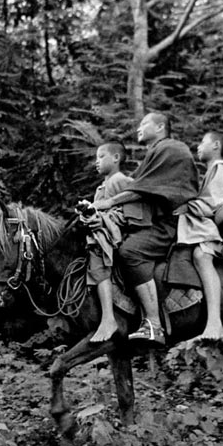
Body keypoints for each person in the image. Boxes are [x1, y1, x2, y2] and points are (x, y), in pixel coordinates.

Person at [90, 113, 198, 345]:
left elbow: (146, 190)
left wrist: (109, 203)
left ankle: (153, 324)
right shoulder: (156, 153)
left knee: (130, 251)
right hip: (151, 222)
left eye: (143, 124)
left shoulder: (172, 149)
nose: (138, 128)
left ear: (160, 127)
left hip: (166, 225)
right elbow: (143, 188)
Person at [177, 131, 223, 341]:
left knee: (201, 256)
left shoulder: (220, 168)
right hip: (204, 224)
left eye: (203, 142)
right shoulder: (212, 170)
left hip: (214, 228)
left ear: (217, 145)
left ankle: (214, 322)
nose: (198, 147)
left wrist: (188, 204)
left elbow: (218, 203)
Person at [77, 143, 133, 343]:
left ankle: (109, 317)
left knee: (98, 260)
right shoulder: (103, 186)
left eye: (101, 157)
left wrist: (103, 219)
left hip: (115, 237)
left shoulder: (120, 180)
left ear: (116, 158)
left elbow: (129, 210)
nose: (96, 162)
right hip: (102, 235)